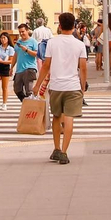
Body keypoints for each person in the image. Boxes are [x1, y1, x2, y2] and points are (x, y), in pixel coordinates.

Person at [36, 12, 89, 165]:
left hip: (56, 86)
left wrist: (37, 85)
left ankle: (57, 148)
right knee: (69, 118)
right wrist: (82, 86)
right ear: (74, 27)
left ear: (59, 26)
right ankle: (65, 152)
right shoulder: (80, 45)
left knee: (56, 117)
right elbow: (83, 68)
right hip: (73, 86)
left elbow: (46, 66)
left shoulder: (52, 43)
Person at [12, 23, 40, 102]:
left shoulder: (33, 41)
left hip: (29, 68)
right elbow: (16, 55)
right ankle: (26, 102)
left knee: (29, 91)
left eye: (23, 31)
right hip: (19, 69)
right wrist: (11, 67)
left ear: (27, 31)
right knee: (17, 89)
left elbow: (36, 54)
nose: (21, 34)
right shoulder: (18, 42)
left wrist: (27, 50)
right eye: (20, 32)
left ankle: (32, 108)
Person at [0, 32, 16, 110]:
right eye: (1, 38)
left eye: (4, 38)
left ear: (8, 39)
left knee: (4, 87)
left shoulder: (11, 49)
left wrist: (2, 61)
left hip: (5, 68)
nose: (3, 39)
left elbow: (11, 61)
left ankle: (4, 103)